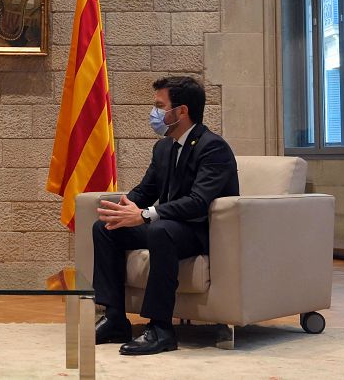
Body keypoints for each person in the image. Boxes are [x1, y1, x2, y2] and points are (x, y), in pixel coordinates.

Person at [92, 76, 238, 355]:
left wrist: (146, 215)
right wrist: (125, 209)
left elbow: (198, 202)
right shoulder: (163, 147)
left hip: (199, 231)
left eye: (160, 106)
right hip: (170, 227)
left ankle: (160, 329)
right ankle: (114, 319)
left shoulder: (213, 147)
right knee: (106, 227)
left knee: (160, 231)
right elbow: (145, 190)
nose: (154, 113)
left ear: (181, 111)